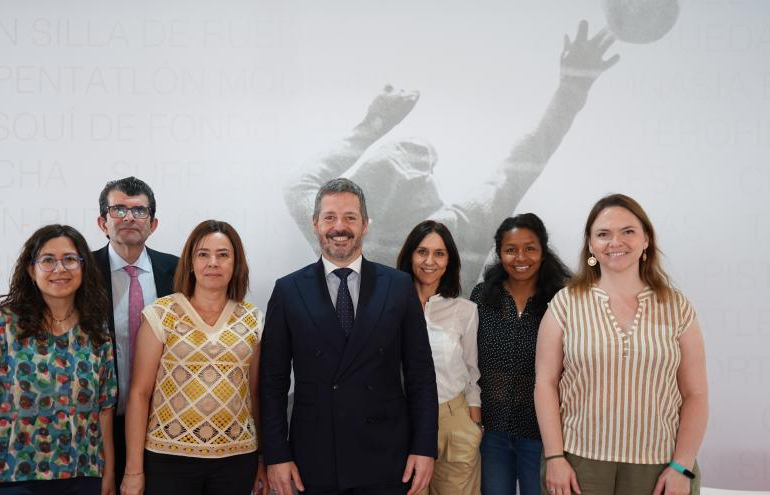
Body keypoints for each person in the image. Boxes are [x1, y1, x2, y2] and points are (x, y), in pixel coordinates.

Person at [283, 21, 619, 292]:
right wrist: (570, 91)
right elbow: (518, 167)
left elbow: (299, 186)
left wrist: (372, 126)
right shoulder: (449, 228)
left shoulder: (343, 242)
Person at [260, 177, 439, 495]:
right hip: (312, 459)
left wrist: (424, 447)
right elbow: (272, 383)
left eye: (349, 218)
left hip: (386, 456)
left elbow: (421, 375)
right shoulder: (288, 290)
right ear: (315, 224)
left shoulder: (398, 286)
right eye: (329, 217)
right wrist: (276, 455)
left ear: (365, 224)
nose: (338, 227)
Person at [535, 194, 708, 495]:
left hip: (658, 466)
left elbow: (696, 394)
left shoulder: (677, 307)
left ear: (646, 240)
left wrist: (682, 465)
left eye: (628, 231)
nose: (616, 242)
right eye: (603, 234)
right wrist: (554, 457)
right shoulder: (566, 304)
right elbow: (545, 385)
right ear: (590, 245)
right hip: (579, 464)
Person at [0, 224, 117, 495]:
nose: (60, 269)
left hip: (83, 477)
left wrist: (108, 473)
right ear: (31, 270)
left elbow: (104, 408)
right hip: (10, 479)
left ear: (84, 267)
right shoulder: (2, 325)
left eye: (70, 259)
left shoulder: (95, 328)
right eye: (47, 260)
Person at [121, 220, 267, 495]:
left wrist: (261, 458)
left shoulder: (252, 319)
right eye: (203, 254)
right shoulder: (161, 314)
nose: (213, 262)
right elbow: (140, 394)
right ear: (190, 262)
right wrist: (133, 470)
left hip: (236, 461)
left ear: (236, 263)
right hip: (168, 459)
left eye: (223, 254)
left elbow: (254, 393)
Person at [469, 214, 570, 495]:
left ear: (543, 251)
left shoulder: (562, 300)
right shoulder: (482, 296)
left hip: (542, 433)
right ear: (500, 253)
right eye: (511, 249)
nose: (520, 257)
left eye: (530, 248)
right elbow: (468, 362)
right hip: (492, 431)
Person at [93, 176, 179, 486]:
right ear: (103, 222)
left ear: (153, 224)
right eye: (118, 209)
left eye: (139, 211)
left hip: (165, 424)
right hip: (99, 422)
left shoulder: (179, 272)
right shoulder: (81, 274)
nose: (129, 217)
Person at [396, 221, 481, 495]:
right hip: (403, 422)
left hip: (453, 420)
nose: (429, 261)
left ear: (449, 261)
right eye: (422, 251)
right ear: (410, 256)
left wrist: (474, 424)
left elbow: (472, 371)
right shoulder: (389, 307)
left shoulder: (465, 311)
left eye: (439, 253)